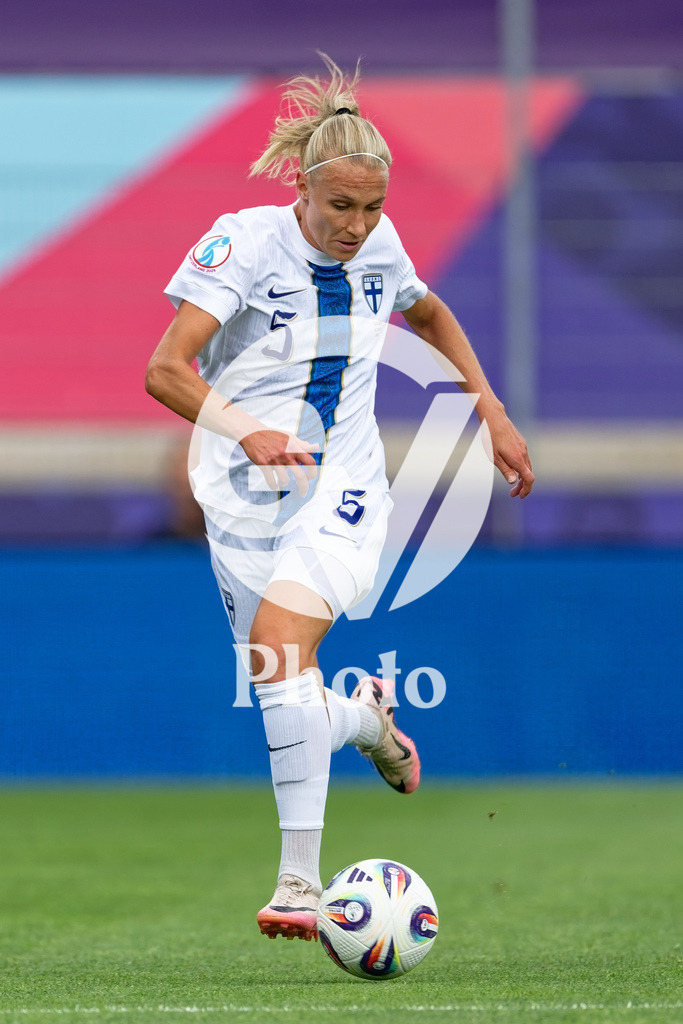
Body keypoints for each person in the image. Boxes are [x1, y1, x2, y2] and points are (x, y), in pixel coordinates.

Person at [145, 55, 534, 943]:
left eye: (373, 208)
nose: (358, 226)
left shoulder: (382, 247)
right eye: (341, 207)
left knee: (281, 649)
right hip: (247, 503)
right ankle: (367, 722)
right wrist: (245, 430)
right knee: (284, 688)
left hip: (347, 490)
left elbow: (427, 313)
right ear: (304, 189)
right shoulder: (241, 244)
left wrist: (491, 411)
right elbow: (165, 369)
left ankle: (297, 886)